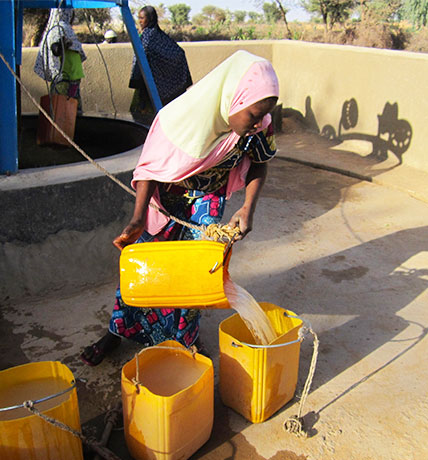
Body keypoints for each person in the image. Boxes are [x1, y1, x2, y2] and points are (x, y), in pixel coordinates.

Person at [80, 50, 279, 366]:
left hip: (208, 198)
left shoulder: (257, 128)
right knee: (144, 267)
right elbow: (149, 168)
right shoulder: (180, 116)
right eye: (253, 115)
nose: (258, 123)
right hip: (165, 200)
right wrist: (137, 218)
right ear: (234, 99)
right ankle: (117, 332)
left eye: (263, 116)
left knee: (196, 271)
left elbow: (259, 164)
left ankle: (185, 337)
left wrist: (247, 209)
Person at [128, 5, 193, 125]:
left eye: (142, 18)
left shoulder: (154, 36)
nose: (140, 21)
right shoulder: (147, 35)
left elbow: (178, 53)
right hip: (145, 84)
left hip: (156, 84)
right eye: (139, 18)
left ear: (150, 18)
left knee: (153, 117)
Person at [34, 8, 86, 113]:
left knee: (70, 108)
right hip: (65, 77)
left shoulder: (64, 28)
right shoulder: (58, 29)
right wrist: (63, 45)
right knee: (63, 109)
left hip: (72, 77)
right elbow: (55, 49)